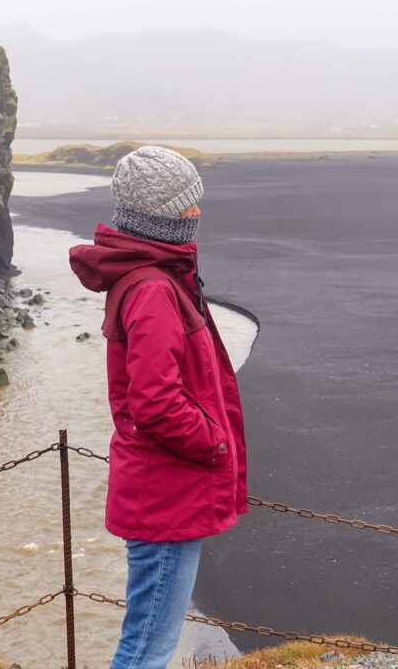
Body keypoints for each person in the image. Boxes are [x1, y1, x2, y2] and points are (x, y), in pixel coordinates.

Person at [68, 145, 248, 669]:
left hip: (163, 489)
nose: (197, 214)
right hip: (167, 493)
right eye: (188, 205)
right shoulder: (152, 287)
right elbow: (154, 401)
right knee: (148, 648)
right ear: (161, 215)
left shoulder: (153, 277)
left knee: (149, 639)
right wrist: (214, 442)